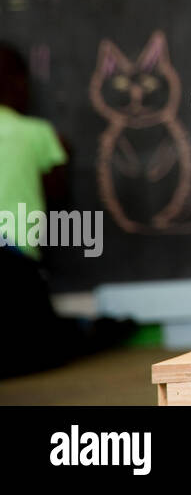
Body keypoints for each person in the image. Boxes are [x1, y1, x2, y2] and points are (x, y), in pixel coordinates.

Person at [0, 43, 136, 379]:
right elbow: (57, 194)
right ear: (20, 85)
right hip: (11, 263)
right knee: (38, 350)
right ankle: (85, 329)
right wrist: (65, 155)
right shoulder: (36, 133)